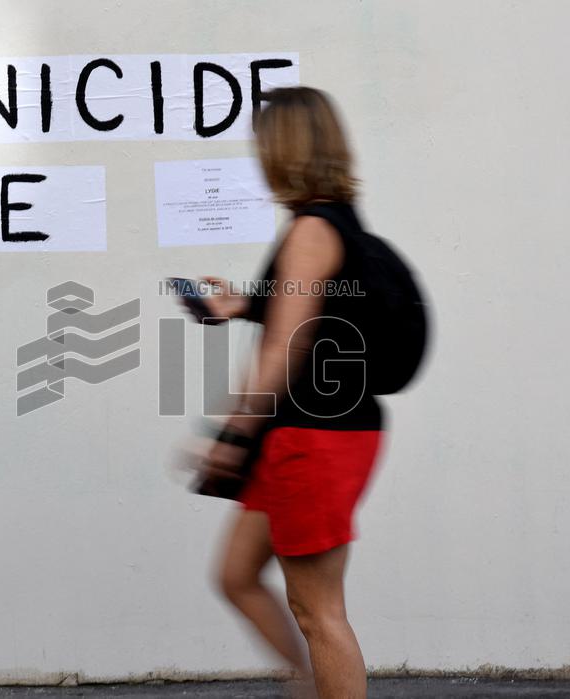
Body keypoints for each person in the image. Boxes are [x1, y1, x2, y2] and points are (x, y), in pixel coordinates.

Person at [190, 87, 386, 699]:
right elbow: (319, 312)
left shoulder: (310, 230)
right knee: (236, 575)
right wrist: (241, 303)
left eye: (262, 145)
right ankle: (310, 684)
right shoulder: (333, 225)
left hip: (316, 437)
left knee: (319, 613)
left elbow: (281, 350)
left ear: (285, 149)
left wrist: (231, 434)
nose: (257, 157)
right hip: (306, 434)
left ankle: (323, 681)